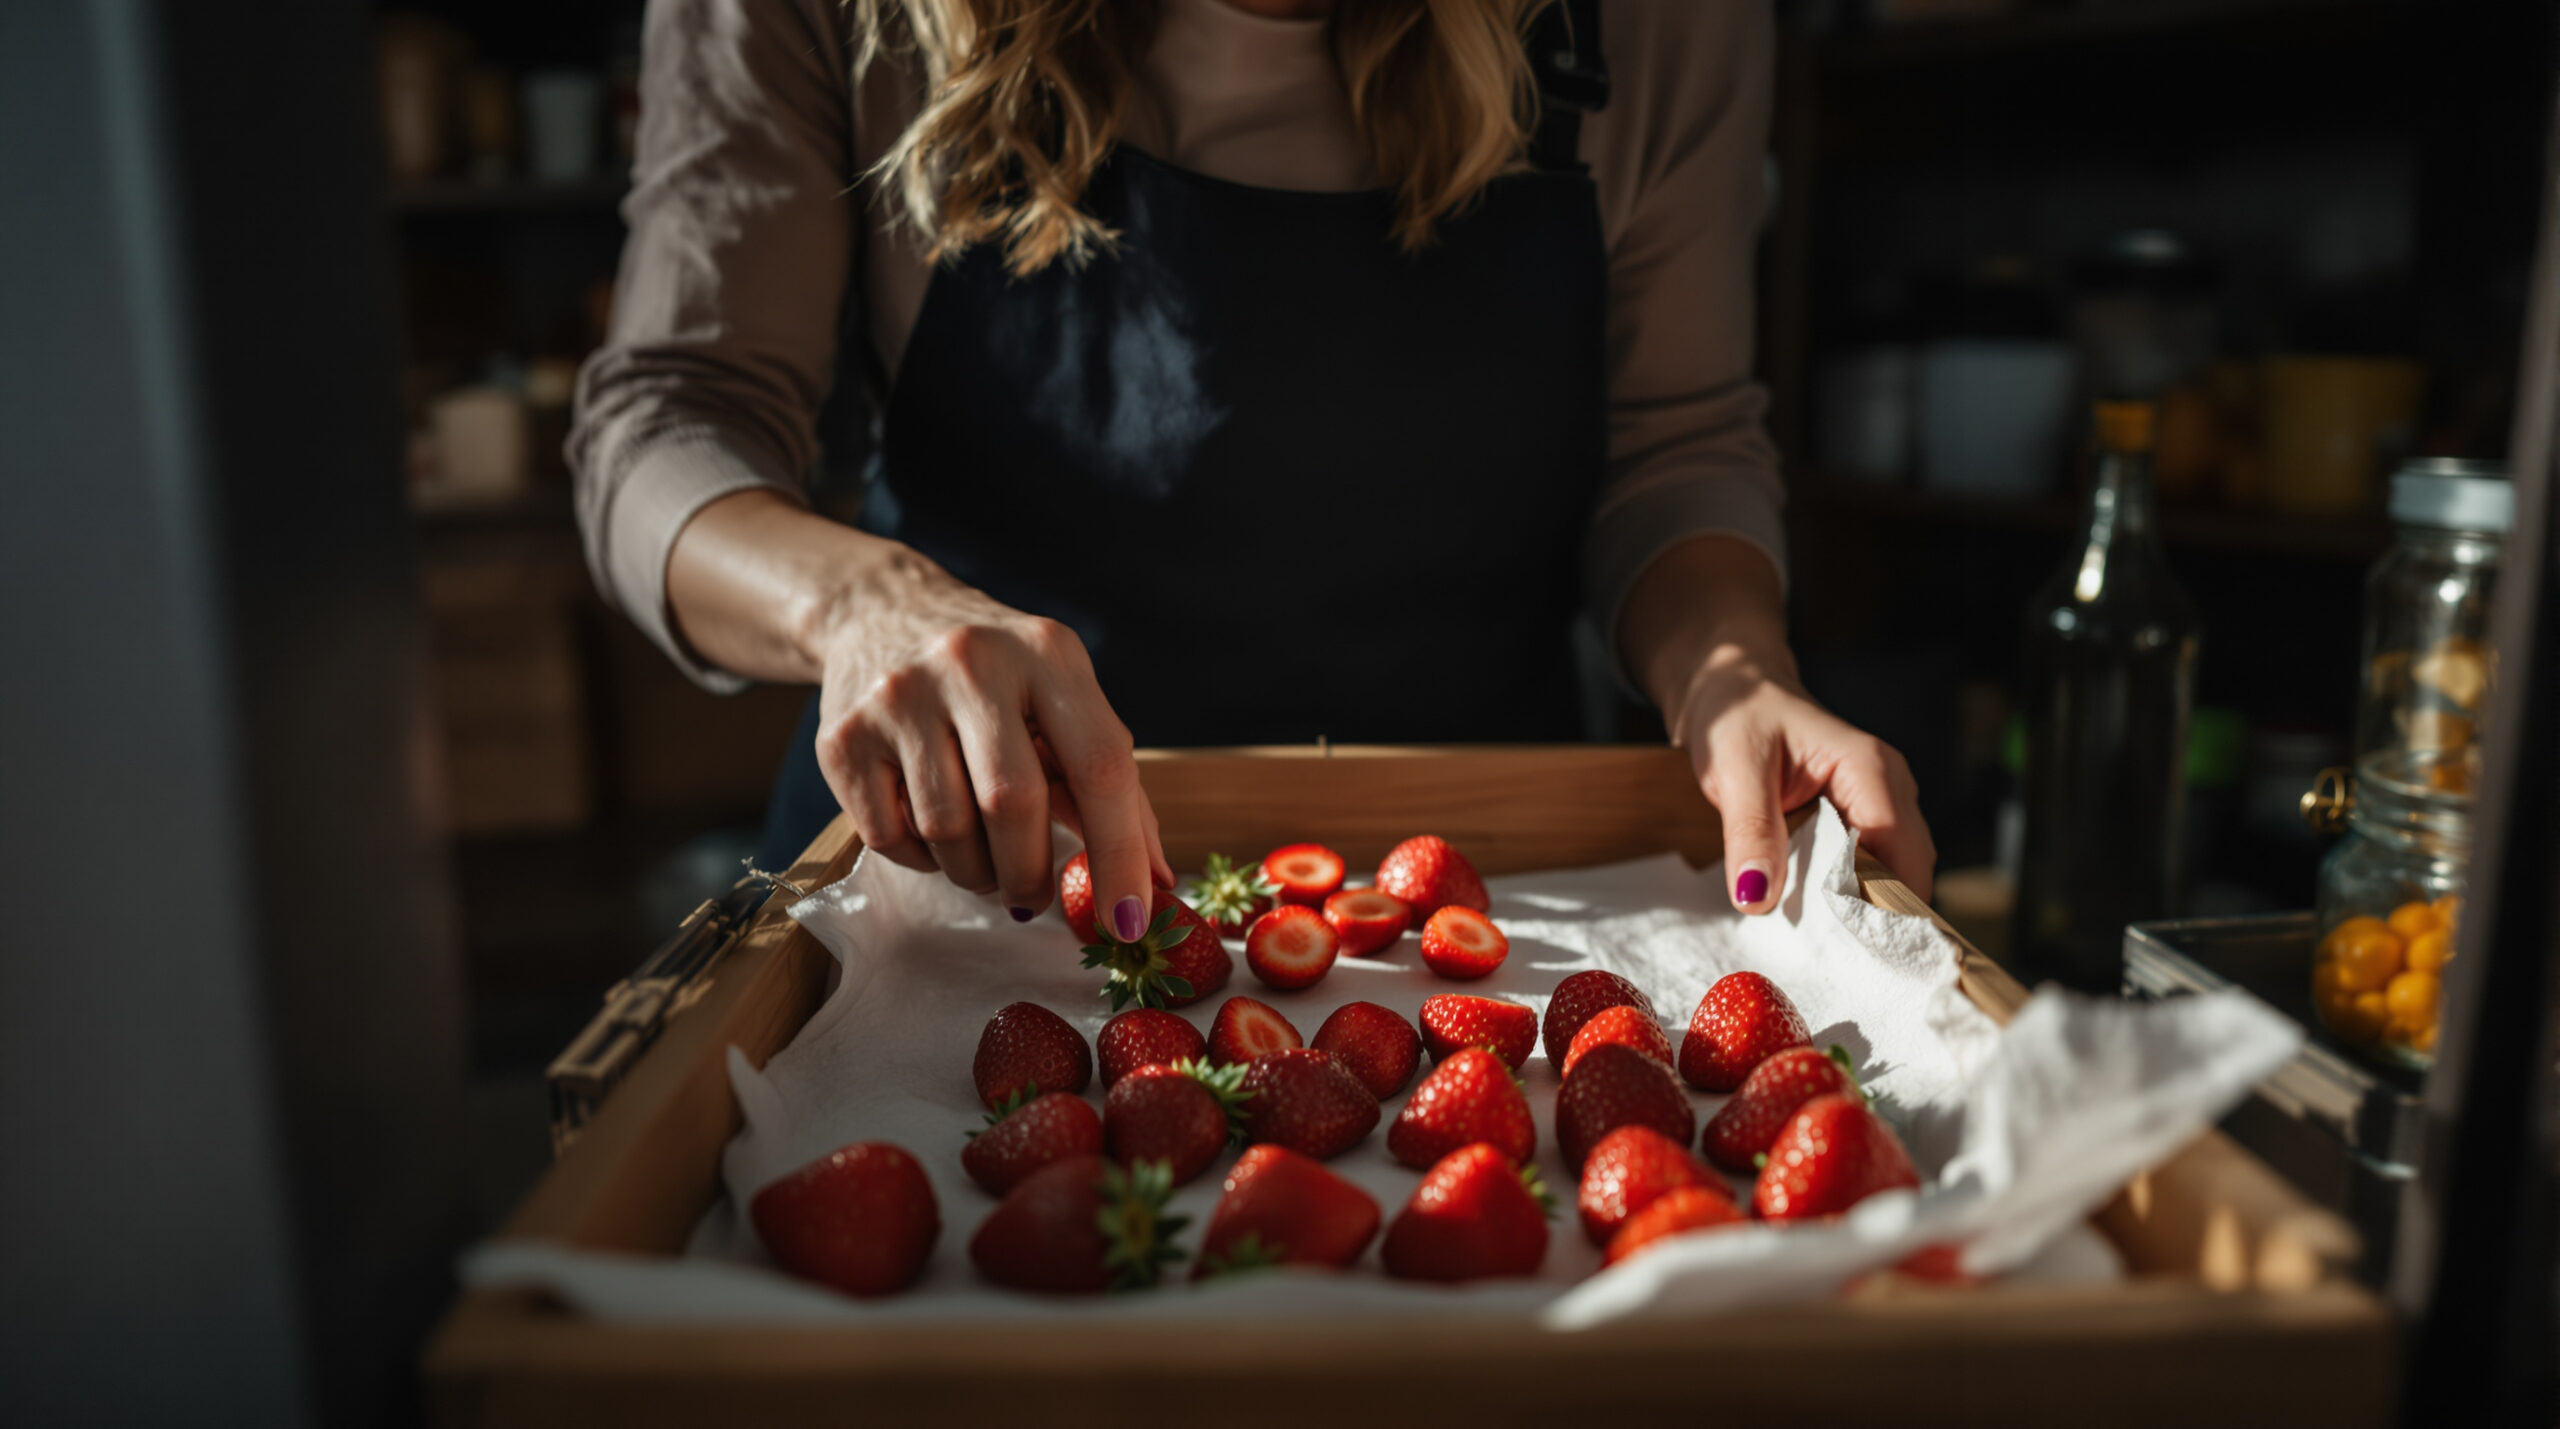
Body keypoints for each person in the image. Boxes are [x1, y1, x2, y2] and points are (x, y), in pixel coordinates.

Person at [569, 0, 1934, 946]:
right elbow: (667, 423)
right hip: (966, 868)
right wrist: (864, 605)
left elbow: (1673, 444)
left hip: (1486, 890)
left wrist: (1733, 673)